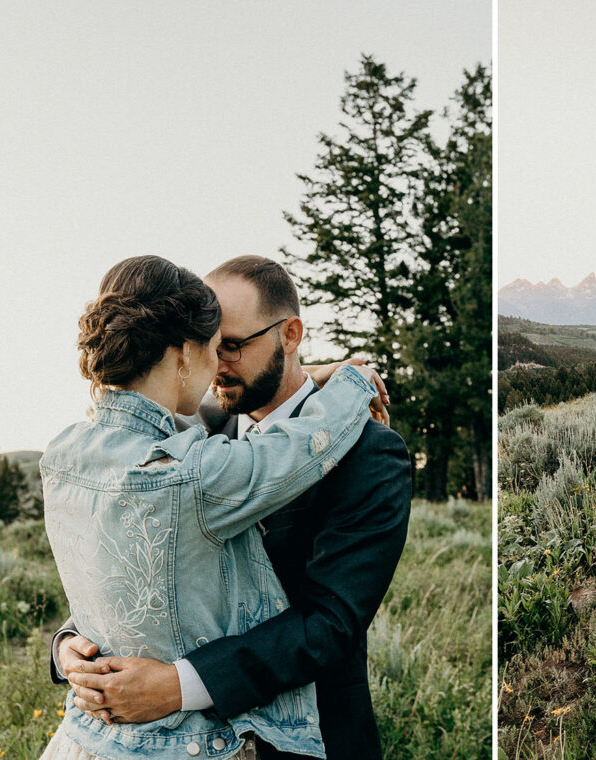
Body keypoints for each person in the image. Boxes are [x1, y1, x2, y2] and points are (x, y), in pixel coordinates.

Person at [51, 256, 412, 760]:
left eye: (233, 346)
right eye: (210, 345)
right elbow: (126, 557)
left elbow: (329, 625)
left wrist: (178, 686)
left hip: (311, 741)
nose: (216, 363)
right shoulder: (186, 435)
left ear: (290, 334)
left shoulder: (372, 453)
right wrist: (70, 645)